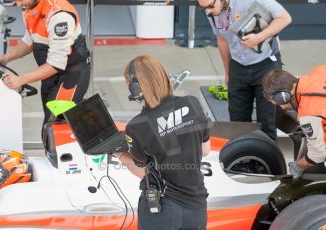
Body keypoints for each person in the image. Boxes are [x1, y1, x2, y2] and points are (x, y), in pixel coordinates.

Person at [113, 55, 211, 230]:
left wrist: (120, 155)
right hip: (197, 205)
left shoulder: (136, 126)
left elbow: (143, 172)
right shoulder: (192, 102)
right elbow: (205, 150)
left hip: (163, 210)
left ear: (136, 89)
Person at [197, 0, 291, 140]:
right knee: (238, 125)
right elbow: (222, 40)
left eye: (210, 6)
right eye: (202, 8)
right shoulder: (212, 11)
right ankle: (242, 160)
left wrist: (259, 37)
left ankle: (267, 160)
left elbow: (285, 18)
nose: (208, 12)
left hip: (266, 64)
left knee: (267, 123)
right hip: (238, 65)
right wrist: (228, 71)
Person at [0, 0, 90, 129]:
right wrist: (5, 58)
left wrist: (20, 80)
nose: (18, 4)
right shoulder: (31, 5)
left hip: (70, 78)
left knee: (54, 129)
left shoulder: (59, 15)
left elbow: (56, 63)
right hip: (49, 76)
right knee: (50, 129)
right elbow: (31, 38)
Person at [262, 66, 326, 177]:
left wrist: (299, 165)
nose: (282, 108)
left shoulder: (309, 113)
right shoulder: (319, 71)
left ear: (283, 97)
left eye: (280, 104)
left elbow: (318, 153)